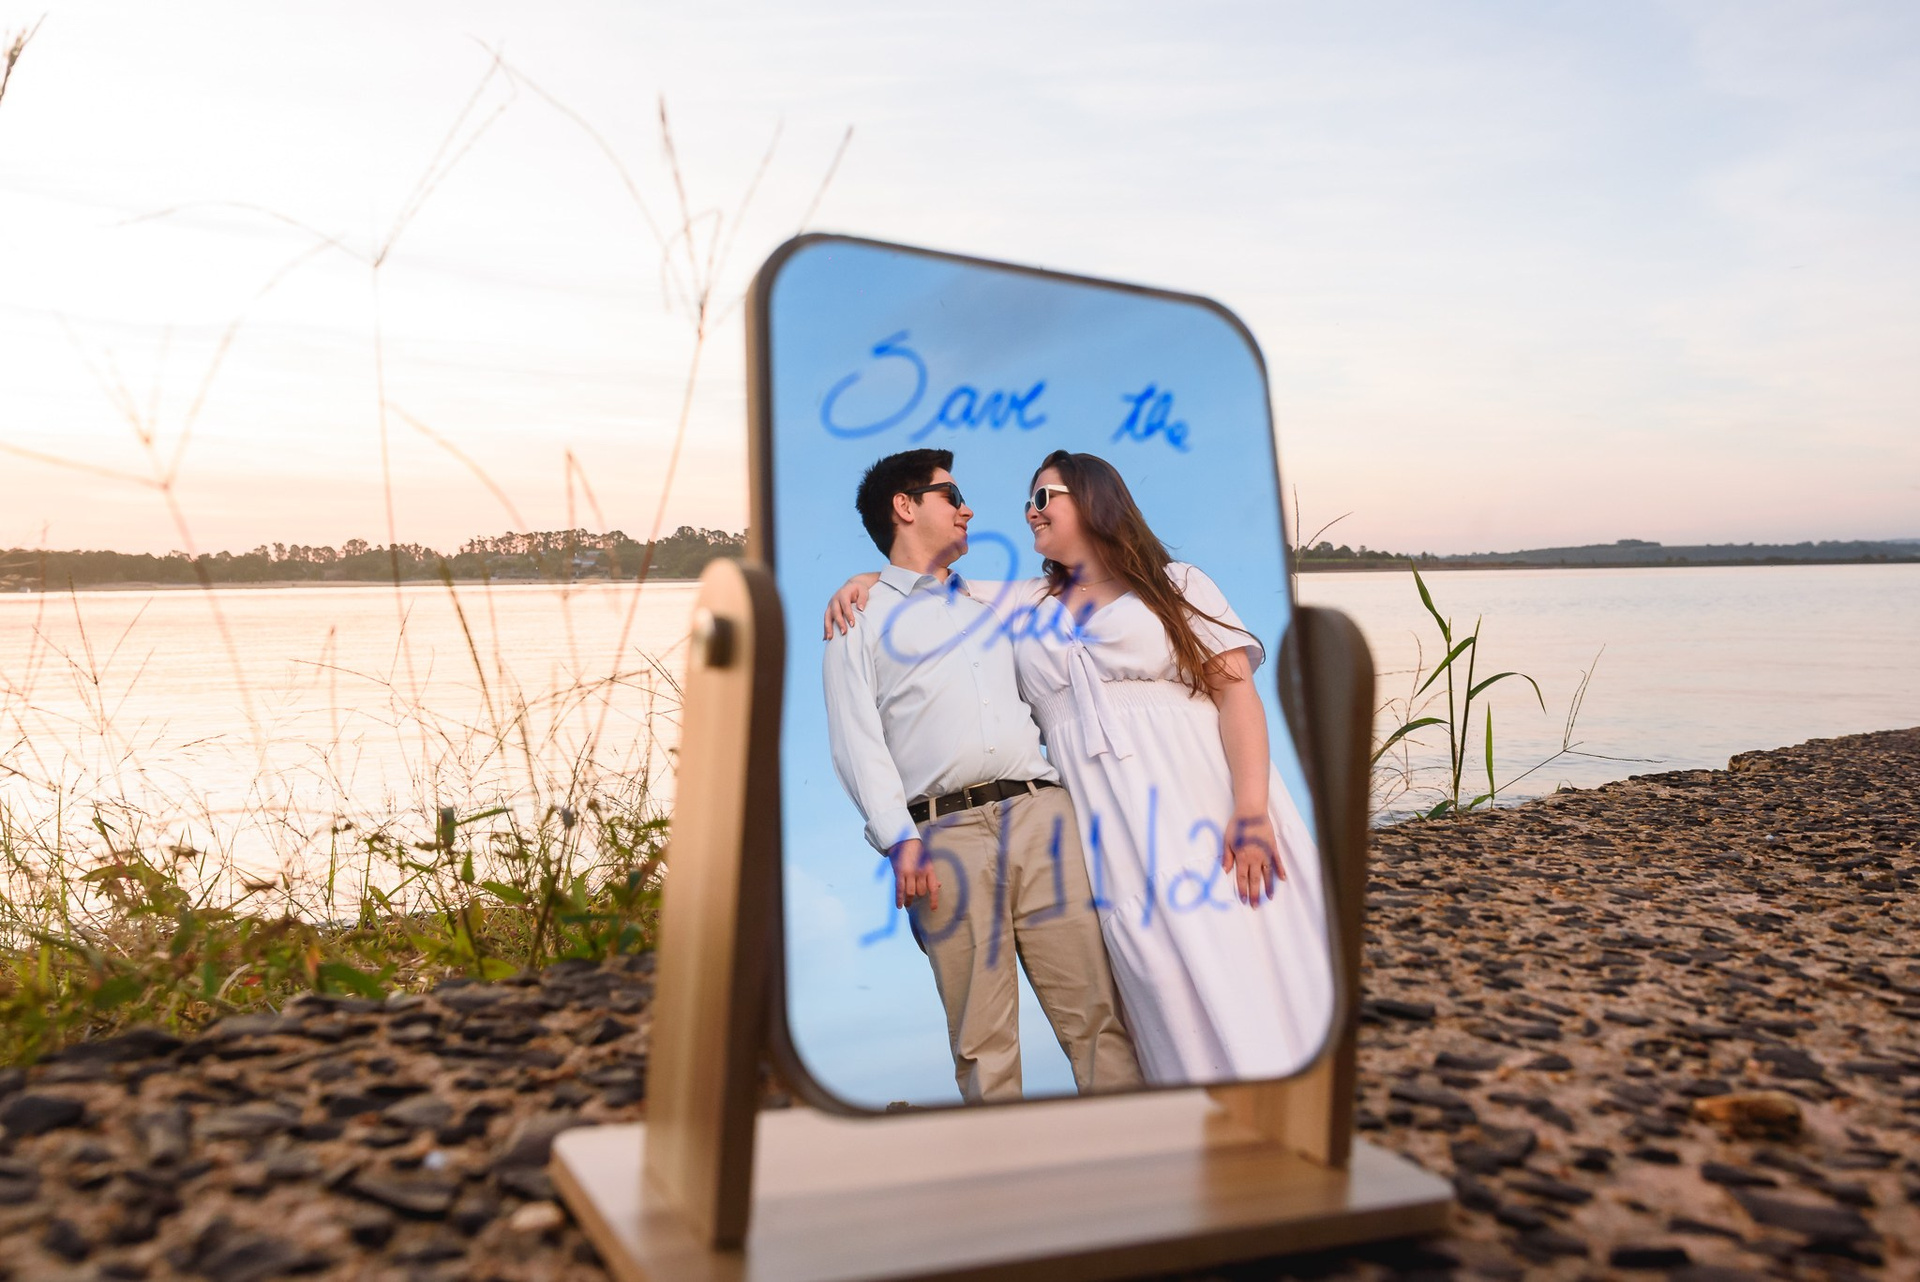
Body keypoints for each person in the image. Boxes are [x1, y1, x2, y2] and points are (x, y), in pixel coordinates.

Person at [826, 449, 1333, 1086]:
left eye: (1044, 498)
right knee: (1150, 972)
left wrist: (1252, 809)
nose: (1024, 512)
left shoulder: (1174, 584)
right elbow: (921, 594)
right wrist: (865, 581)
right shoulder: (1022, 602)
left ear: (1093, 499)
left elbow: (1237, 695)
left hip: (1181, 792)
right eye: (1027, 501)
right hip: (1101, 824)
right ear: (905, 507)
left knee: (1221, 948)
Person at [820, 447, 1142, 1104]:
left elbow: (1090, 585)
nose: (968, 510)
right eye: (952, 496)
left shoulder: (997, 606)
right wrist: (898, 839)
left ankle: (1135, 1151)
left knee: (1097, 1014)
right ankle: (1005, 1163)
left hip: (1043, 819)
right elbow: (856, 740)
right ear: (904, 507)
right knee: (982, 1039)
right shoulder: (859, 620)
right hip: (943, 839)